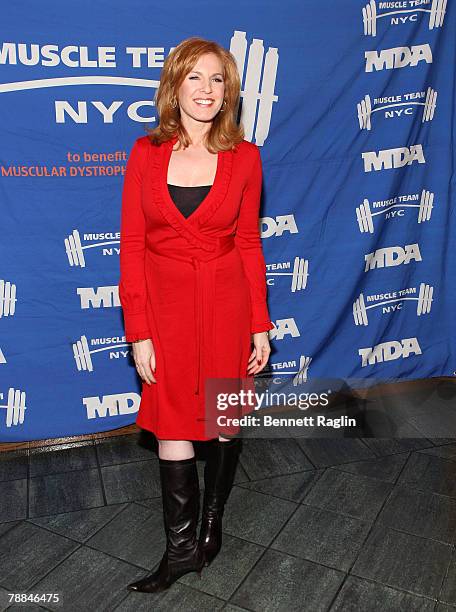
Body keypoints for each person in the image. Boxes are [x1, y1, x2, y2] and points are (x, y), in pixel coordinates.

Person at [118, 36, 274, 593]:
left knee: (221, 420)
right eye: (196, 78)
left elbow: (250, 244)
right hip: (165, 309)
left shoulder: (246, 156)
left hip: (228, 304)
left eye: (218, 80)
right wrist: (138, 331)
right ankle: (181, 550)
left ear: (228, 90)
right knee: (173, 422)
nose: (207, 90)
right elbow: (132, 246)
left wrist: (260, 321)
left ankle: (212, 521)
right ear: (174, 86)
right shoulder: (145, 154)